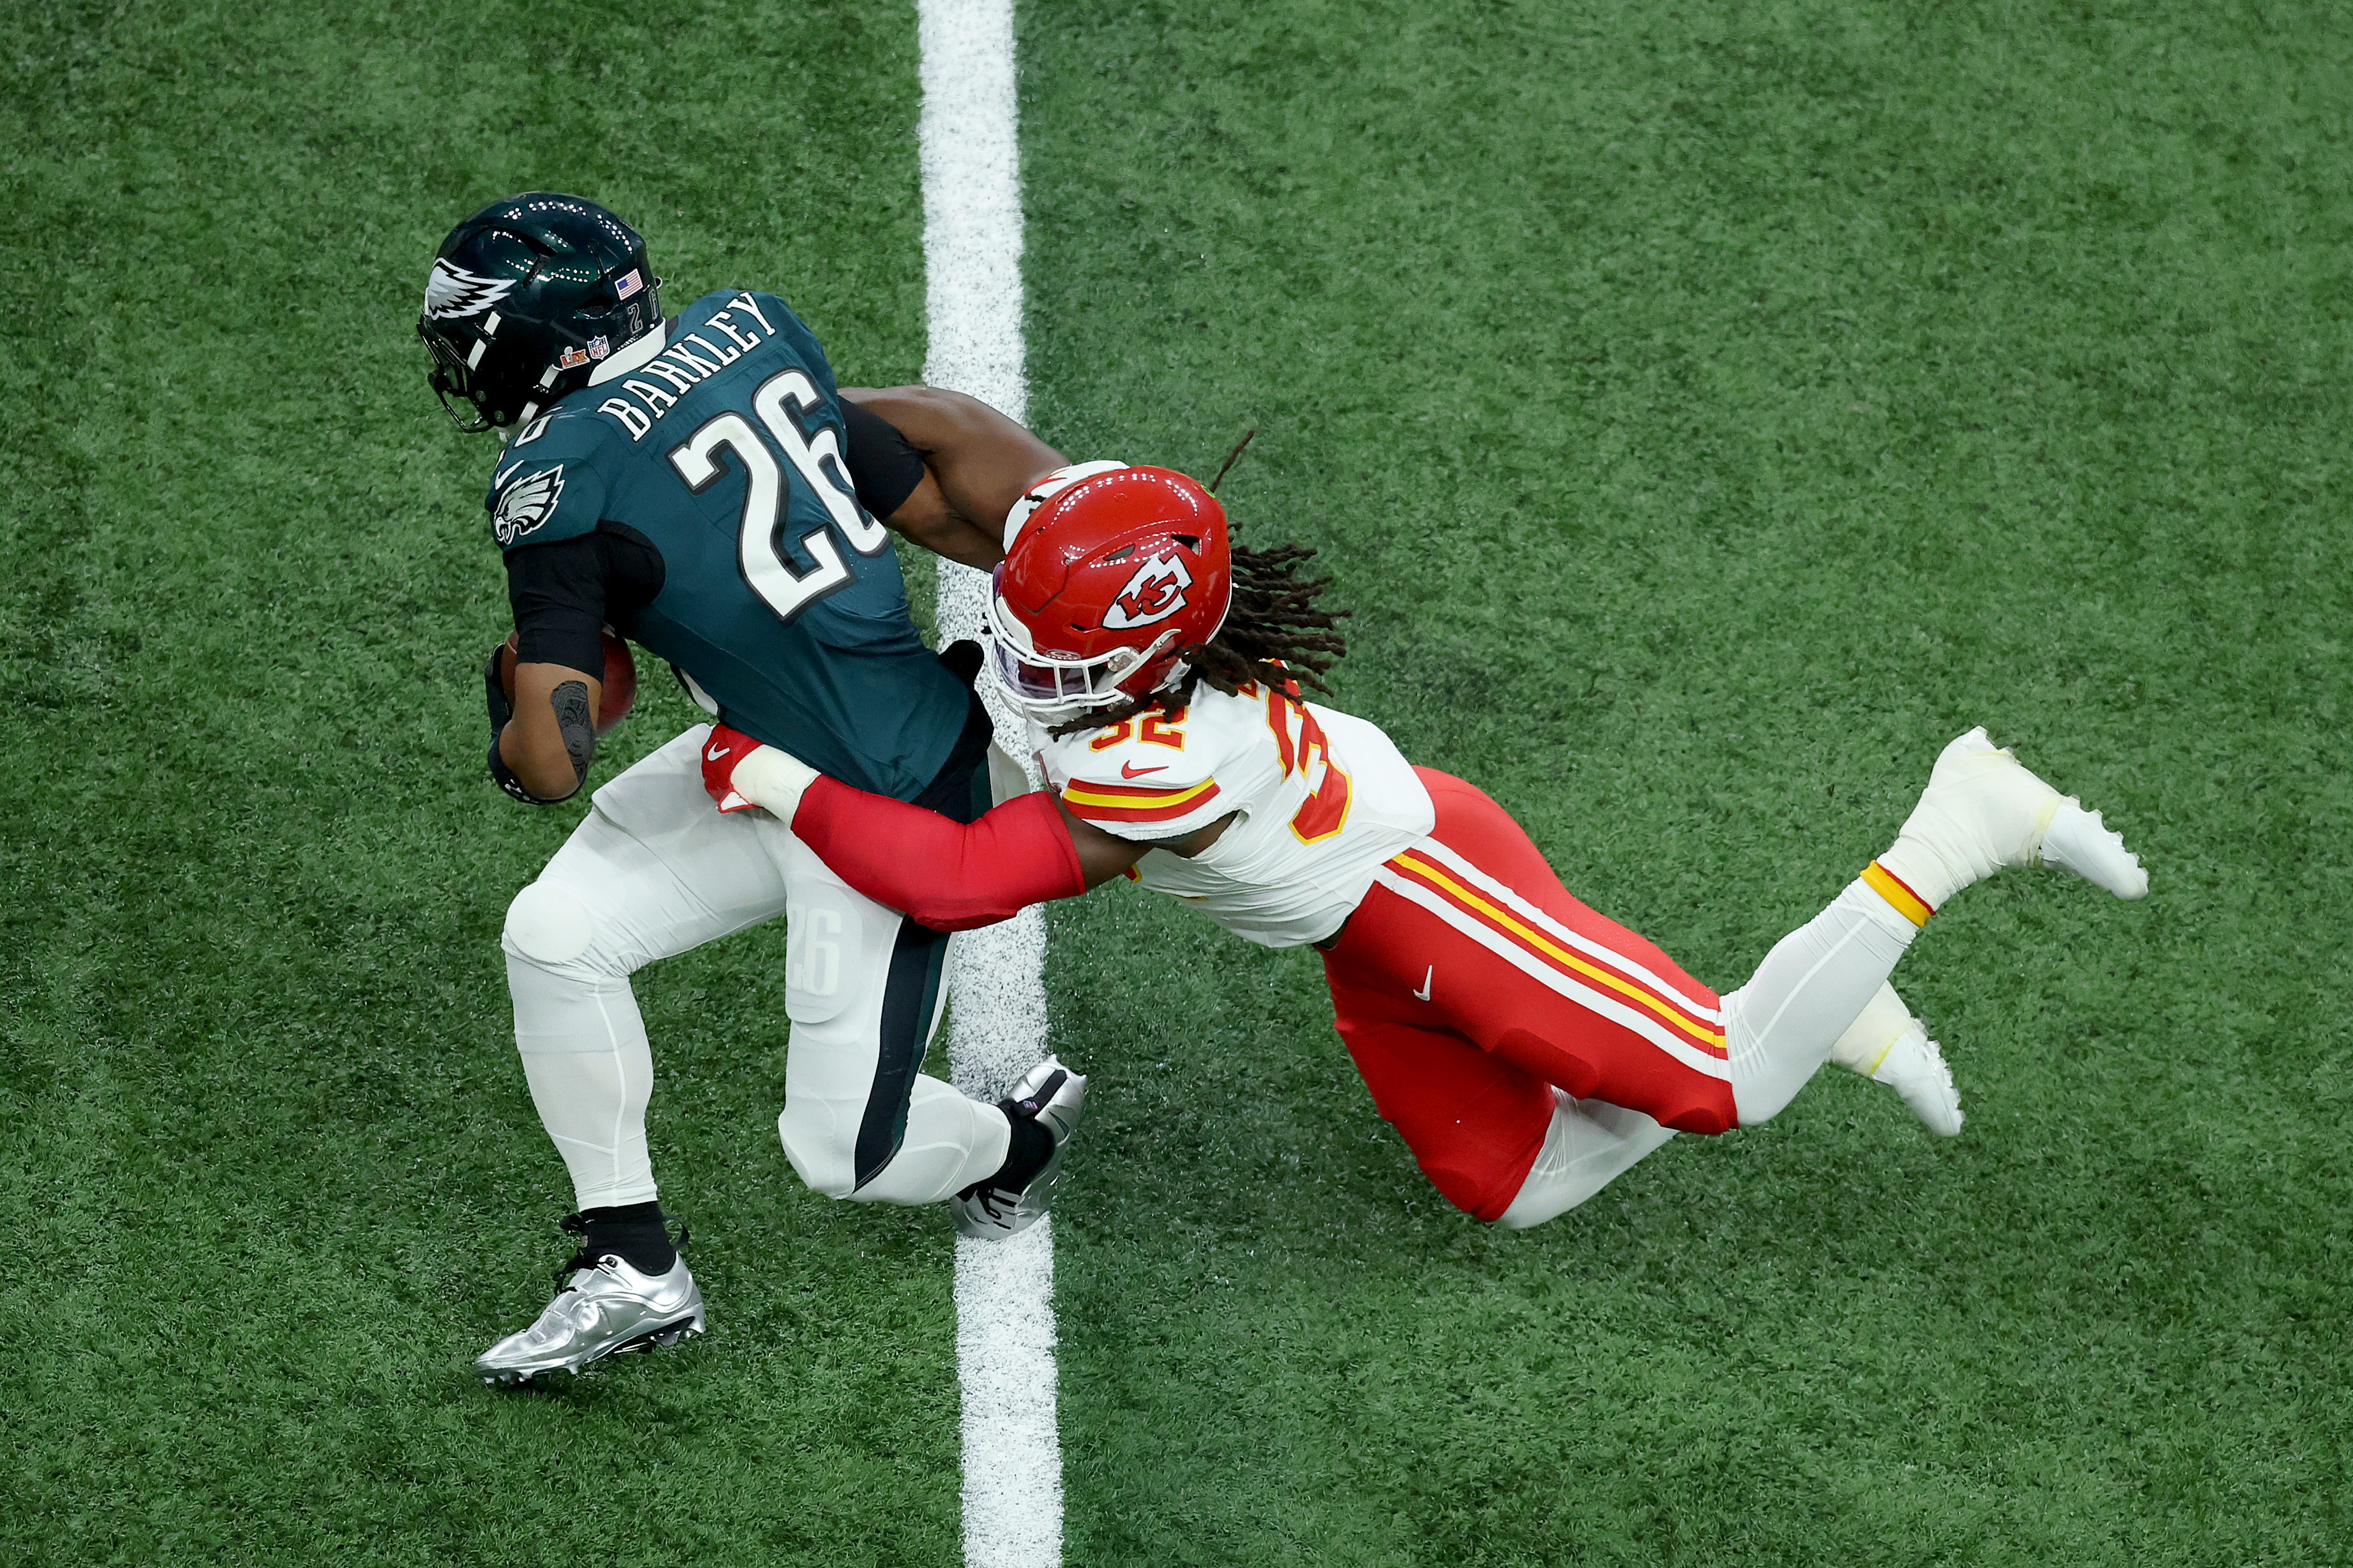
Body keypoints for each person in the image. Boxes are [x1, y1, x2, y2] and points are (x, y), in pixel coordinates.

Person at [702, 462, 2149, 1228]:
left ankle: (1955, 828)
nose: (1020, 649)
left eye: (1055, 634)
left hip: (1430, 891)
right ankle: (1815, 997)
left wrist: (757, 763)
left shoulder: (1152, 759)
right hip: (1361, 931)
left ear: (1135, 650)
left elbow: (951, 879)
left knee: (1722, 1088)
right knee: (1508, 1186)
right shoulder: (1152, 670)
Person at [415, 193, 1084, 1384]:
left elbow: (555, 759)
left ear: (533, 340)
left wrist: (510, 712)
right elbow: (912, 498)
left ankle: (1009, 1145)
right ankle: (629, 1262)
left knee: (848, 1157)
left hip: (889, 800)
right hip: (775, 755)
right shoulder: (749, 326)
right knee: (555, 935)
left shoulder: (556, 479)